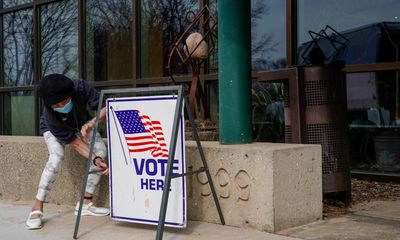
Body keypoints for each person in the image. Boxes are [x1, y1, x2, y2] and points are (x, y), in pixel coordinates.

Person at [26, 74, 109, 230]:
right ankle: (37, 206)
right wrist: (94, 159)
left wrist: (92, 122)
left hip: (83, 122)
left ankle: (85, 203)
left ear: (71, 94)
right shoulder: (51, 116)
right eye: (56, 105)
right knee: (56, 156)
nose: (61, 106)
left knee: (101, 150)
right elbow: (76, 144)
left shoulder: (80, 87)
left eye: (64, 102)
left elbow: (106, 107)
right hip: (53, 130)